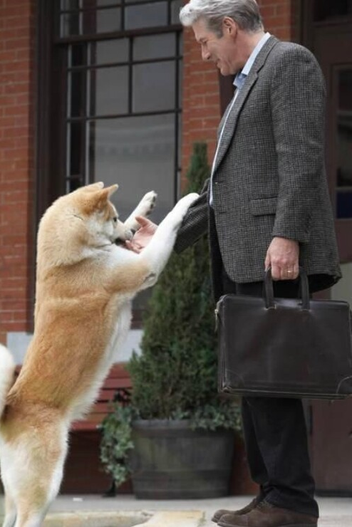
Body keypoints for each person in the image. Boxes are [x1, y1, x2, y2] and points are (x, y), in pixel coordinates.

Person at [128, 1, 341, 526]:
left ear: (229, 27)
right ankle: (272, 495)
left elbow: (302, 154)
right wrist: (171, 234)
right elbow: (224, 186)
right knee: (252, 377)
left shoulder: (289, 62)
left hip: (273, 253)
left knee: (272, 378)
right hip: (244, 254)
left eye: (204, 42)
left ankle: (292, 501)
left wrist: (287, 234)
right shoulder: (247, 82)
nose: (203, 54)